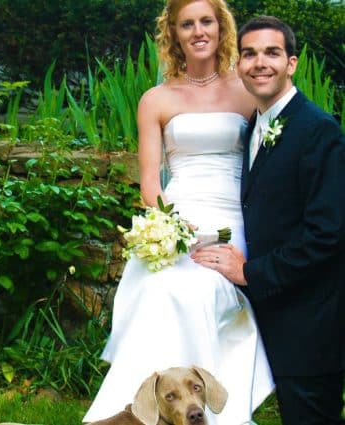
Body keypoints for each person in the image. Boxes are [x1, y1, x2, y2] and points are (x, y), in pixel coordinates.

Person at [83, 1, 274, 424]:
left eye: (206, 21)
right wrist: (170, 225)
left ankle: (206, 410)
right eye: (187, 24)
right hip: (176, 220)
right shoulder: (156, 99)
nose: (198, 31)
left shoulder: (247, 91)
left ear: (221, 28)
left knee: (198, 292)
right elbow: (151, 184)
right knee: (158, 291)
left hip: (230, 223)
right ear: (174, 33)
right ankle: (143, 412)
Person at [192, 15, 345, 425]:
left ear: (291, 63)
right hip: (273, 317)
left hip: (311, 325)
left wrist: (250, 272)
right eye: (250, 54)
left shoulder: (319, 130)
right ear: (239, 64)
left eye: (272, 53)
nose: (260, 63)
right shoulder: (254, 127)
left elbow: (327, 234)